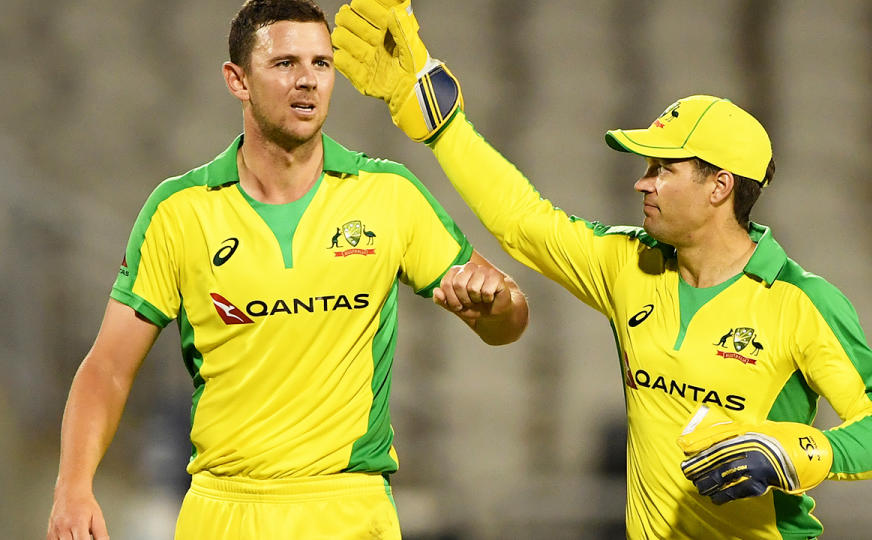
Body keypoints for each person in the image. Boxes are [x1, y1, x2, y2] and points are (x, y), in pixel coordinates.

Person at [330, 2, 872, 538]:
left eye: (664, 169)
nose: (643, 181)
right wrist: (441, 126)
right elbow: (522, 223)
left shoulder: (801, 302)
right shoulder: (628, 263)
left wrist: (794, 452)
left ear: (720, 186)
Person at [46, 1, 529, 539]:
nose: (308, 81)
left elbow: (508, 320)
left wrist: (497, 303)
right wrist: (73, 487)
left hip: (349, 508)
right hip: (223, 509)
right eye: (285, 64)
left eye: (322, 64)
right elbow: (108, 367)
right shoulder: (179, 211)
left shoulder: (389, 194)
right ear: (237, 80)